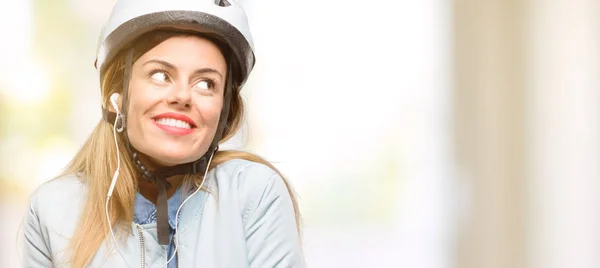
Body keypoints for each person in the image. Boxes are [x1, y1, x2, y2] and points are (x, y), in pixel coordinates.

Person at [21, 0, 304, 267]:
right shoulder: (51, 210)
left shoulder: (254, 194)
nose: (182, 96)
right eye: (160, 75)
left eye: (206, 83)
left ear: (224, 112)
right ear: (116, 95)